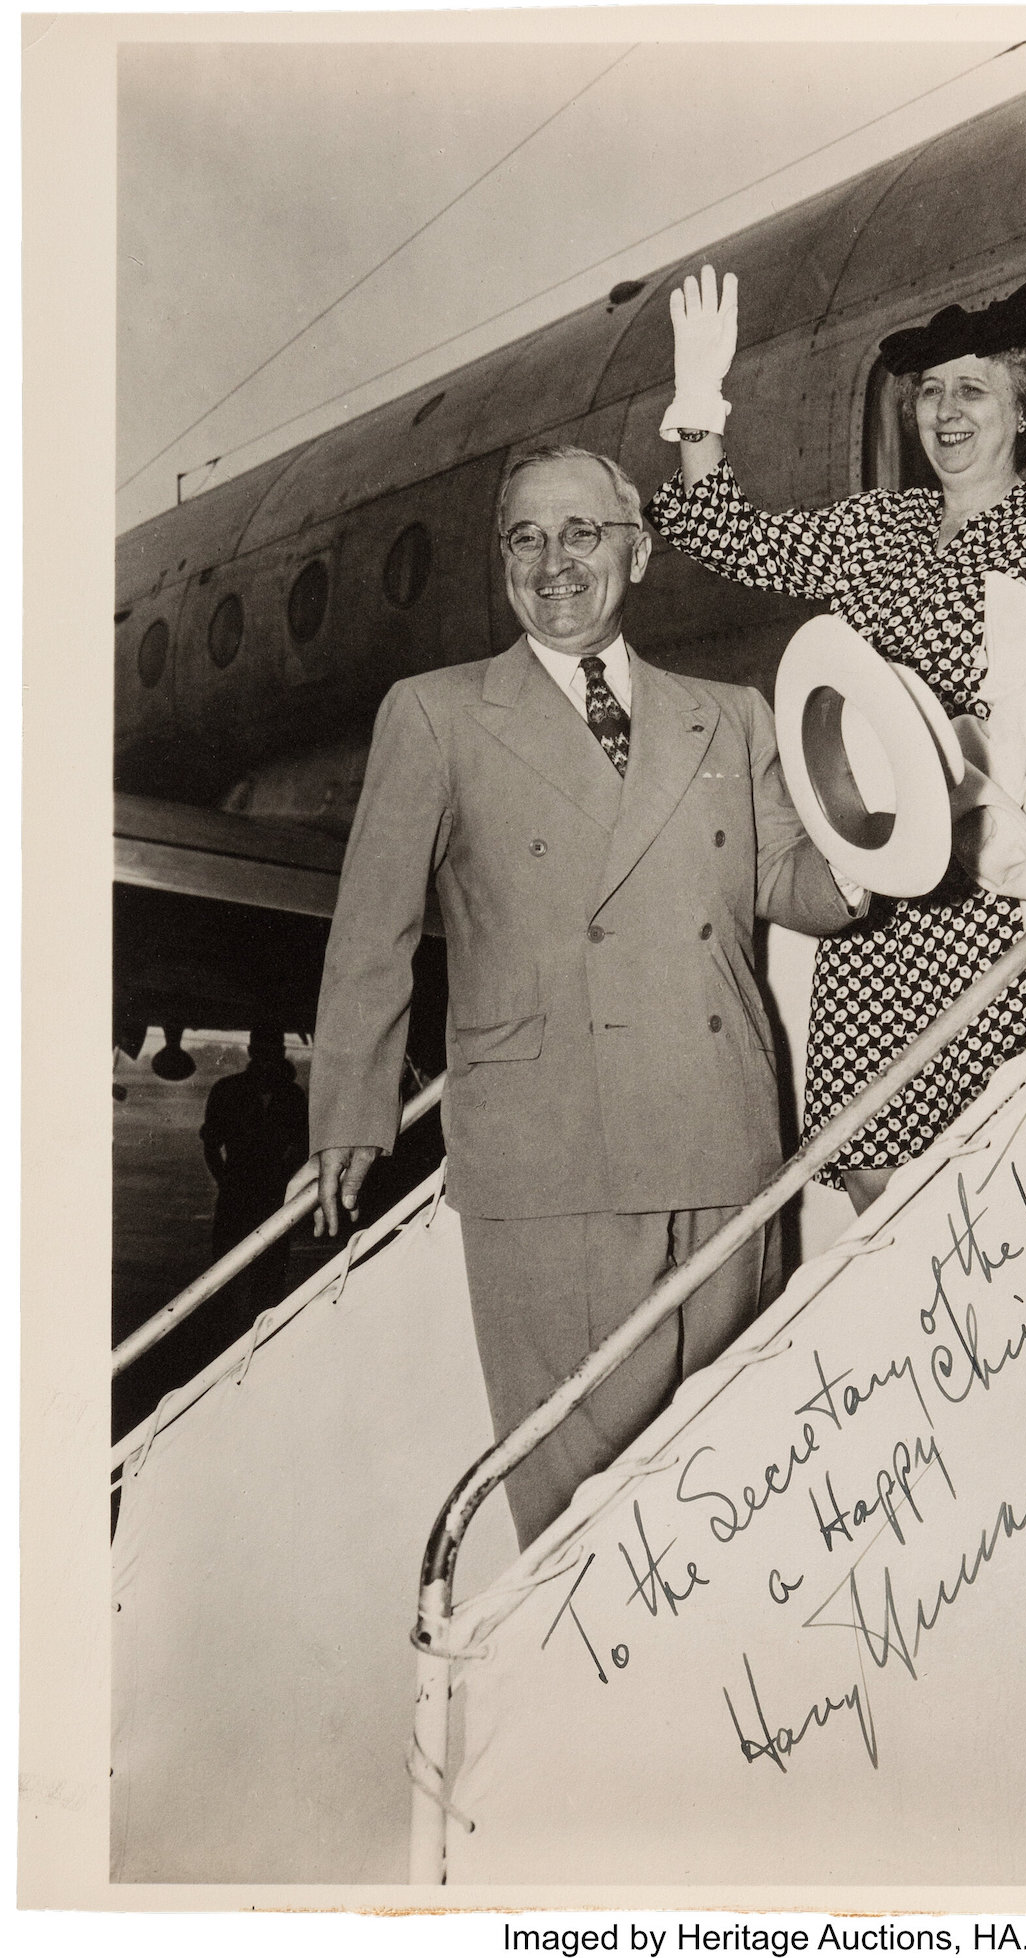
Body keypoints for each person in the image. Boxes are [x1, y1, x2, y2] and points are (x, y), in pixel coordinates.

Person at [300, 445, 863, 1549]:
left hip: (723, 1136)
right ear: (503, 561)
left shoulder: (729, 714)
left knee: (729, 1489)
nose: (555, 561)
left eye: (583, 532)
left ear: (638, 550)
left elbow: (784, 878)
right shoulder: (435, 714)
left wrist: (875, 849)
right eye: (526, 537)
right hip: (550, 1155)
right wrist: (350, 1113)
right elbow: (373, 930)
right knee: (572, 1513)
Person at [648, 268, 1026, 1213]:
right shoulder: (880, 528)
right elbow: (732, 541)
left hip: (1003, 893)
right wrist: (700, 406)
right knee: (868, 1158)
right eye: (930, 392)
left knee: (999, 1166)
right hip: (881, 897)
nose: (945, 413)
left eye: (972, 390)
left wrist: (1010, 755)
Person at [200, 1027, 309, 1319]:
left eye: (275, 1051)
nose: (270, 1058)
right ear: (252, 1052)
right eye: (264, 1051)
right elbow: (211, 1145)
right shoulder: (227, 1090)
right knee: (223, 1277)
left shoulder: (292, 1096)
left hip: (273, 1196)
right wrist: (227, 1182)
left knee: (271, 1278)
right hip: (237, 1195)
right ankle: (221, 1338)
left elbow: (302, 1144)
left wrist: (285, 1179)